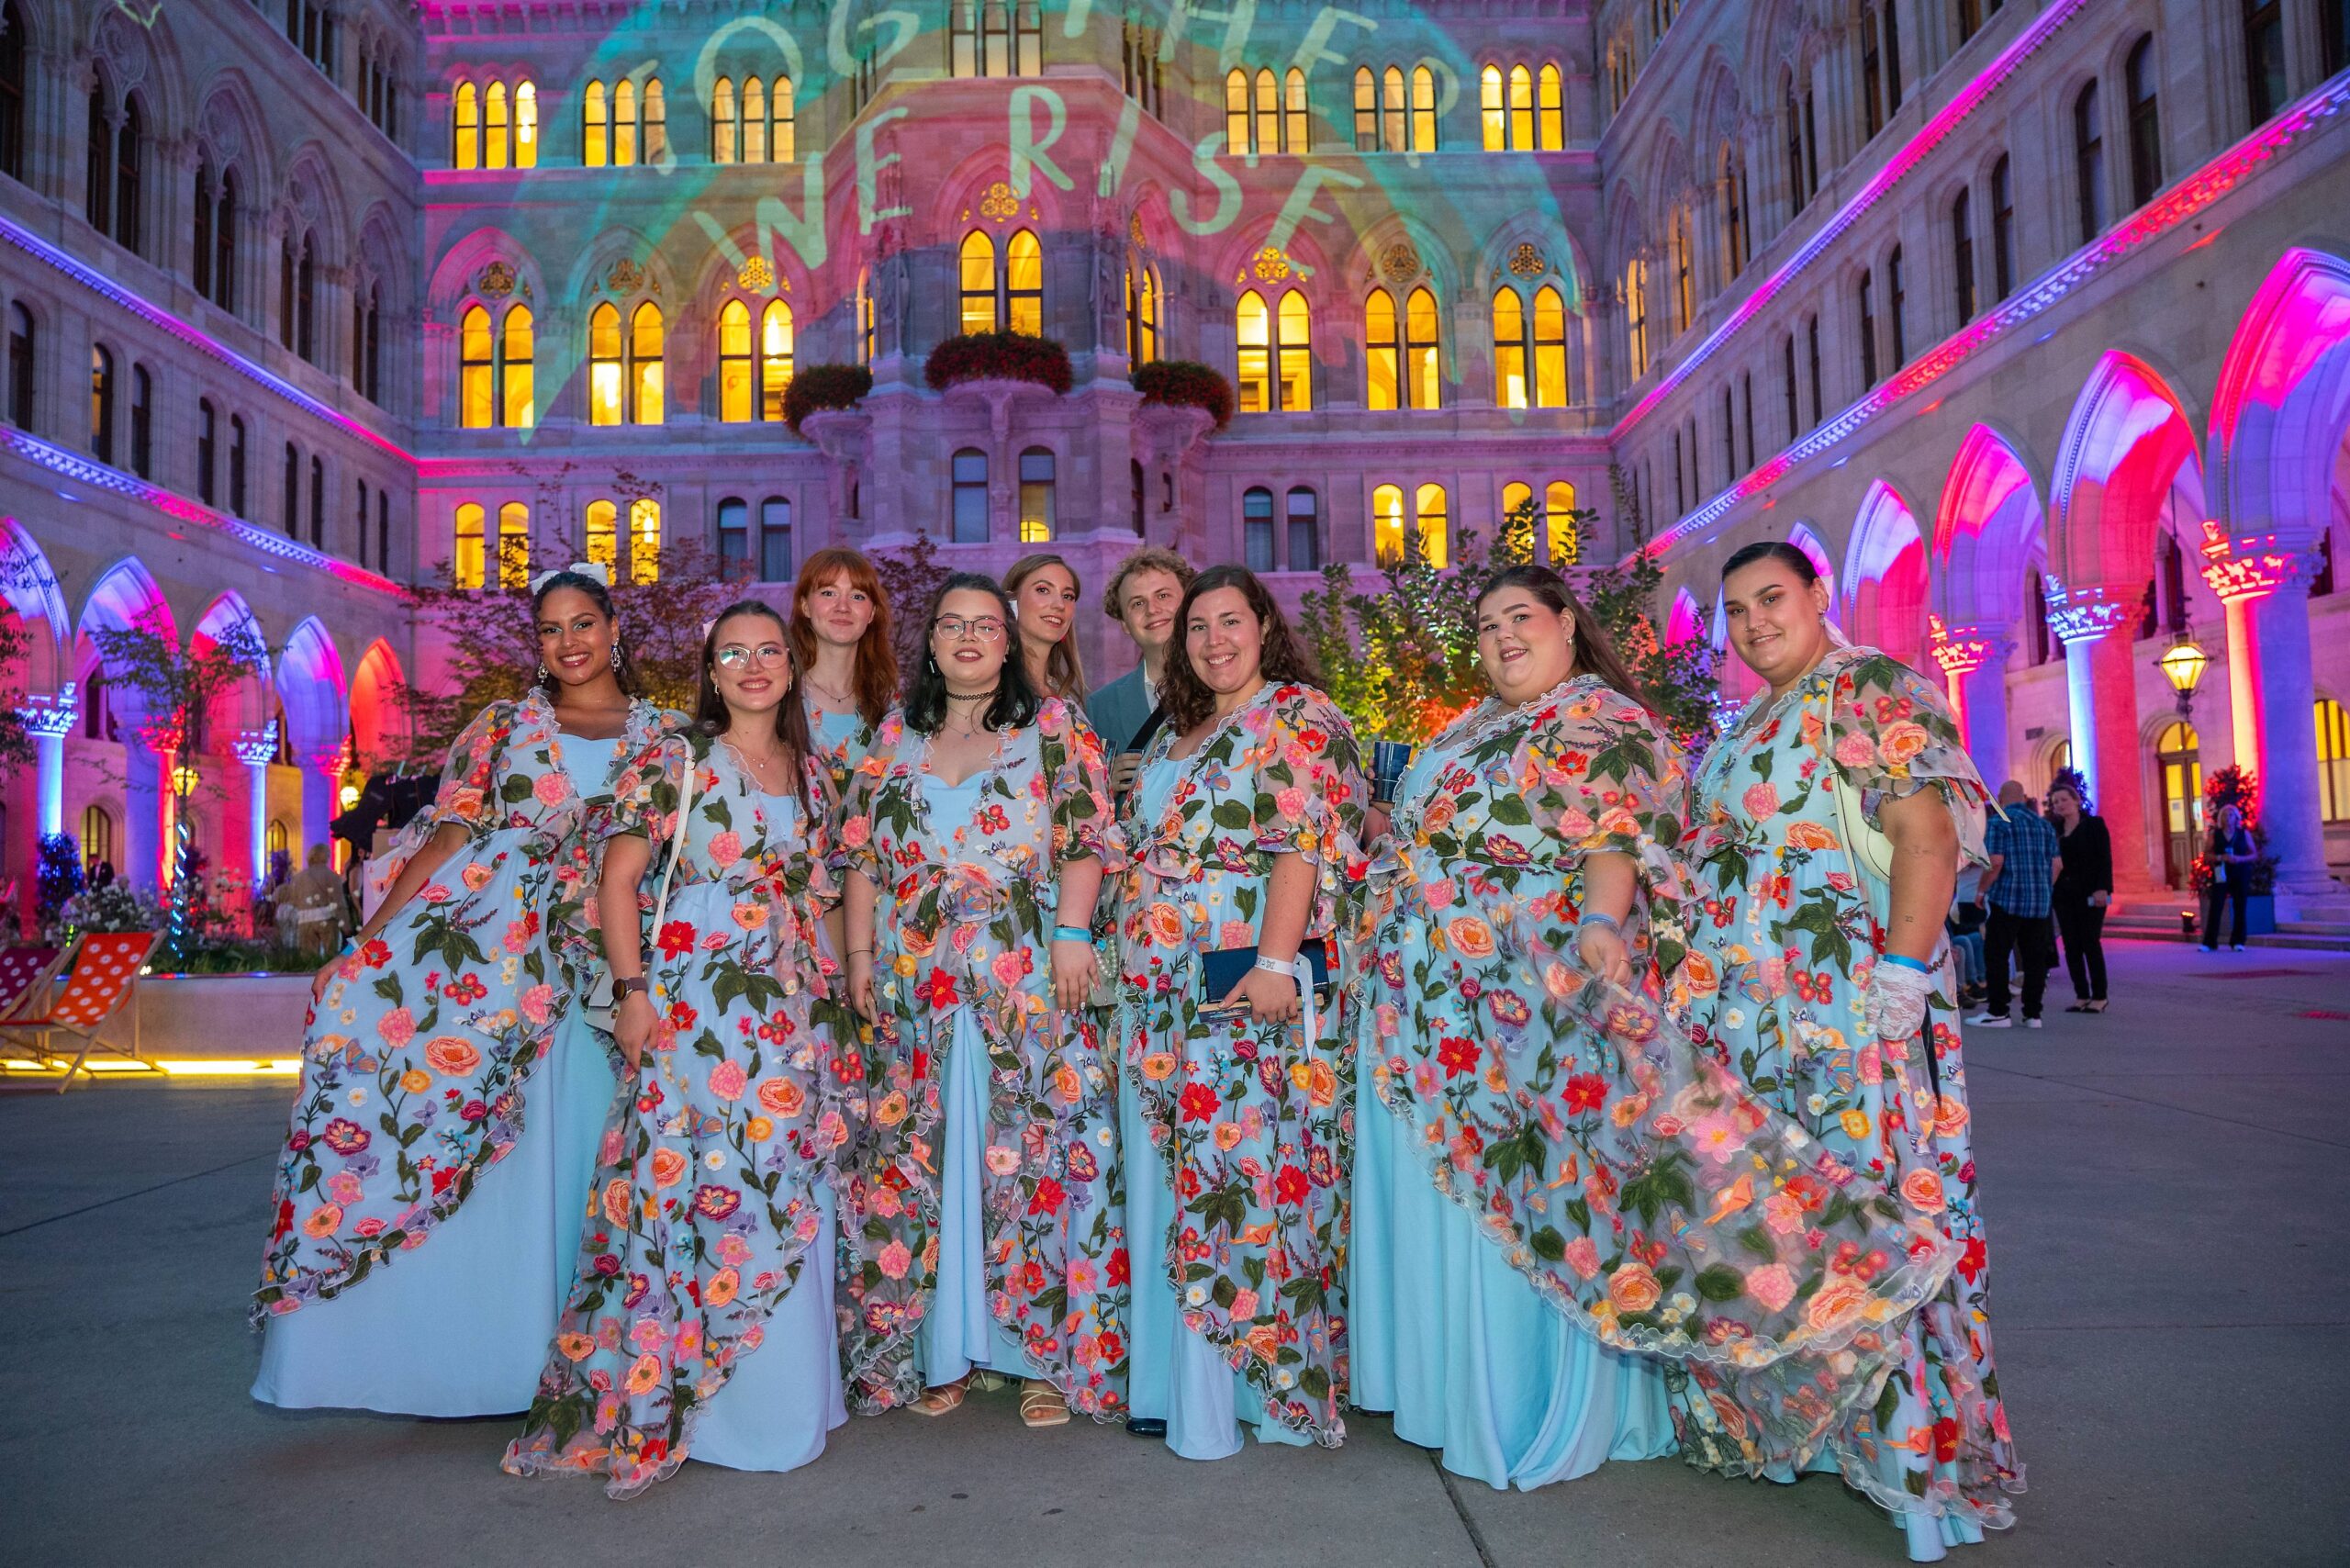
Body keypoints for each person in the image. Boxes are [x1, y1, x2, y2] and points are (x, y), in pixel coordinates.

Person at [252, 563, 680, 1415]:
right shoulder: (501, 725)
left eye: (584, 623)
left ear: (613, 628)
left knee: (594, 1139)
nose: (569, 643)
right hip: (499, 950)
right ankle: (486, 1351)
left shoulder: (668, 735)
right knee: (489, 1137)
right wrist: (365, 949)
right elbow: (449, 839)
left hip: (617, 950)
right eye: (551, 630)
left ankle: (589, 1351)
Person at [1678, 540, 2020, 1558]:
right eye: (1735, 610)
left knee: (1874, 1221)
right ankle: (1809, 1431)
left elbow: (1927, 834)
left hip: (1846, 1016)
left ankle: (1916, 1465)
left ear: (1818, 596)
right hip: (1756, 1029)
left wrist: (1906, 969)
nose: (1752, 624)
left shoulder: (1865, 687)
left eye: (1771, 599)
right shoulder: (1746, 723)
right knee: (1788, 1232)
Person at [504, 601, 857, 1495]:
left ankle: (791, 1399)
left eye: (768, 650)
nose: (751, 665)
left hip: (794, 1012)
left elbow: (828, 896)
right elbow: (617, 878)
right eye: (730, 652)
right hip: (697, 1008)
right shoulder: (676, 755)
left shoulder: (816, 775)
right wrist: (632, 993)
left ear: (791, 662)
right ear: (711, 668)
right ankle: (718, 1411)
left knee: (788, 1190)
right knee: (713, 1191)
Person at [839, 572, 1129, 1429]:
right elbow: (860, 859)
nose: (968, 639)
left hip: (1024, 971)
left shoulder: (1053, 728)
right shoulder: (891, 736)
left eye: (986, 627)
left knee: (1033, 1151)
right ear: (929, 643)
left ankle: (1041, 1354)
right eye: (951, 625)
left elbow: (1084, 836)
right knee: (930, 1154)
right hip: (914, 976)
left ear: (1008, 643)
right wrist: (858, 954)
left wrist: (1072, 936)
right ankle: (948, 1349)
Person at [1112, 565, 1364, 1457]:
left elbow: (1301, 841)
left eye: (1230, 621)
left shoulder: (1296, 715)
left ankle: (1237, 1394)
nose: (1214, 640)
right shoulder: (1186, 731)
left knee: (1239, 1177)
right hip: (1156, 991)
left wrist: (1271, 962)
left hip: (1235, 980)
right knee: (1168, 1178)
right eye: (1197, 627)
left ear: (1264, 623)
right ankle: (1169, 1383)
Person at [1086, 547, 1195, 795]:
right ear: (1125, 624)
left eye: (1163, 596)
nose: (1152, 609)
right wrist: (1103, 785)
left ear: (1189, 603)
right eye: (1137, 603)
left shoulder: (1224, 687)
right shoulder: (1100, 706)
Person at [789, 545, 898, 781]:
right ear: (805, 605)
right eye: (828, 593)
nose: (843, 607)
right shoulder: (780, 697)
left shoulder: (891, 707)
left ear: (871, 613)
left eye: (857, 596)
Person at [1970, 780, 2062, 1030]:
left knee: (1997, 954)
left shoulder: (1999, 822)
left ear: (2000, 797)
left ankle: (1998, 1011)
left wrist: (1981, 889)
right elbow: (2057, 866)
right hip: (2039, 903)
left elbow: (1996, 862)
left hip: (2007, 900)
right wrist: (2043, 888)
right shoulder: (2044, 825)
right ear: (2024, 797)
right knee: (2035, 959)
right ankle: (2033, 1014)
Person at [2047, 779, 2111, 1011]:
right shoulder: (2055, 830)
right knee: (2072, 945)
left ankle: (2100, 996)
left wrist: (2103, 887)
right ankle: (2081, 995)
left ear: (2076, 800)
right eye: (2056, 802)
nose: (2060, 805)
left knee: (2090, 942)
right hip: (2064, 894)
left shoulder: (2093, 824)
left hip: (2091, 892)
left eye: (2064, 800)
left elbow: (2104, 858)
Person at [1006, 552, 1088, 701]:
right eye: (1043, 590)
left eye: (1068, 596)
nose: (1059, 605)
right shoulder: (987, 686)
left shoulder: (1067, 697)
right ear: (1012, 601)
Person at [2200, 802, 2258, 952]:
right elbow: (2207, 855)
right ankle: (2210, 942)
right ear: (2221, 818)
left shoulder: (2243, 834)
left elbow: (2254, 854)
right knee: (2216, 905)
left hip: (2239, 872)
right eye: (2225, 815)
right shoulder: (2216, 834)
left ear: (2236, 817)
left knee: (2240, 906)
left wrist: (2239, 859)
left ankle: (2238, 941)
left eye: (2231, 815)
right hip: (2221, 871)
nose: (2228, 817)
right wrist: (2220, 857)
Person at [274, 844, 351, 958]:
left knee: (308, 958)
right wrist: (346, 926)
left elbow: (293, 900)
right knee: (330, 956)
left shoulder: (298, 878)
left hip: (305, 921)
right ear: (326, 856)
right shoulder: (331, 876)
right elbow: (338, 902)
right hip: (327, 919)